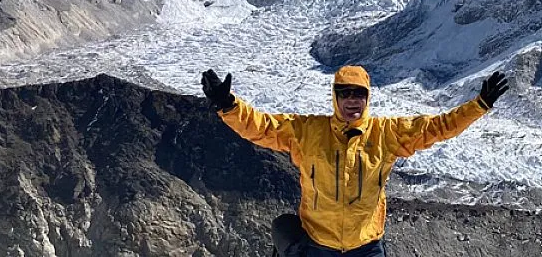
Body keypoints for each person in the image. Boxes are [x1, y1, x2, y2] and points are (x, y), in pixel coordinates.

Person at [201, 65, 509, 257]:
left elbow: (437, 127)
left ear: (367, 98)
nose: (352, 100)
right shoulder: (308, 131)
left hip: (366, 248)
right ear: (335, 96)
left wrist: (478, 105)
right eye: (345, 92)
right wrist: (228, 105)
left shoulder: (386, 133)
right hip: (318, 244)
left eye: (359, 93)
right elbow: (263, 127)